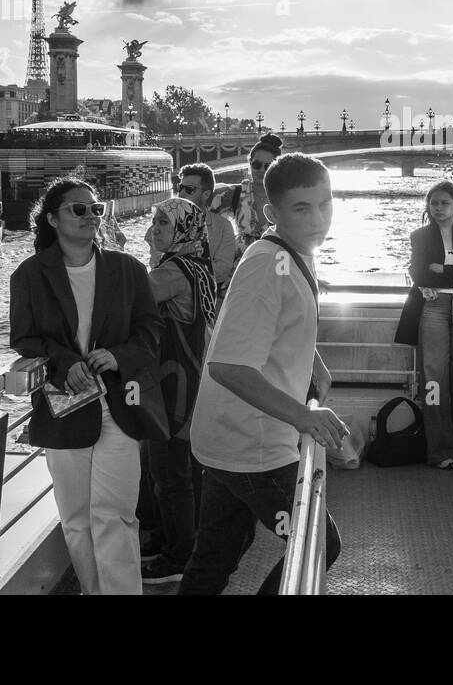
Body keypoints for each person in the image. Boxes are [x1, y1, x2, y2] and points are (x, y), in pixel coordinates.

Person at [179, 153, 346, 594]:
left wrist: (311, 357)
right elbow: (229, 366)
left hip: (226, 436)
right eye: (302, 208)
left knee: (214, 559)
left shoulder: (293, 254)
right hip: (253, 442)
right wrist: (304, 417)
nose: (318, 219)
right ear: (273, 213)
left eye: (325, 203)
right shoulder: (268, 266)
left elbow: (275, 326)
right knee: (318, 543)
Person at [9, 177, 163, 595]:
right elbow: (24, 338)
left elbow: (150, 330)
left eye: (97, 209)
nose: (91, 216)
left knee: (115, 515)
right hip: (65, 404)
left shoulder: (127, 269)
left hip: (119, 404)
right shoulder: (29, 275)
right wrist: (63, 363)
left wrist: (119, 356)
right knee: (76, 518)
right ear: (53, 219)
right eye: (79, 209)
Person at [138, 197, 220, 584]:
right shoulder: (198, 265)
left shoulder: (170, 272)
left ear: (183, 230)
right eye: (154, 221)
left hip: (174, 386)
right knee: (187, 472)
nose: (155, 229)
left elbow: (128, 299)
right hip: (195, 379)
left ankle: (177, 556)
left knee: (169, 475)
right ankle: (189, 544)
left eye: (162, 223)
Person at [394, 181, 453, 469]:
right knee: (434, 379)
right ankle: (441, 449)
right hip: (432, 306)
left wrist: (443, 270)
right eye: (434, 203)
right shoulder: (420, 236)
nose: (438, 208)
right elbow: (419, 273)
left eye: (445, 203)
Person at [176, 161, 239, 297]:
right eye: (180, 187)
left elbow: (222, 270)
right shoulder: (165, 221)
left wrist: (178, 271)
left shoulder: (223, 227)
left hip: (206, 299)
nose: (181, 193)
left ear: (206, 194)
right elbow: (156, 260)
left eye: (189, 190)